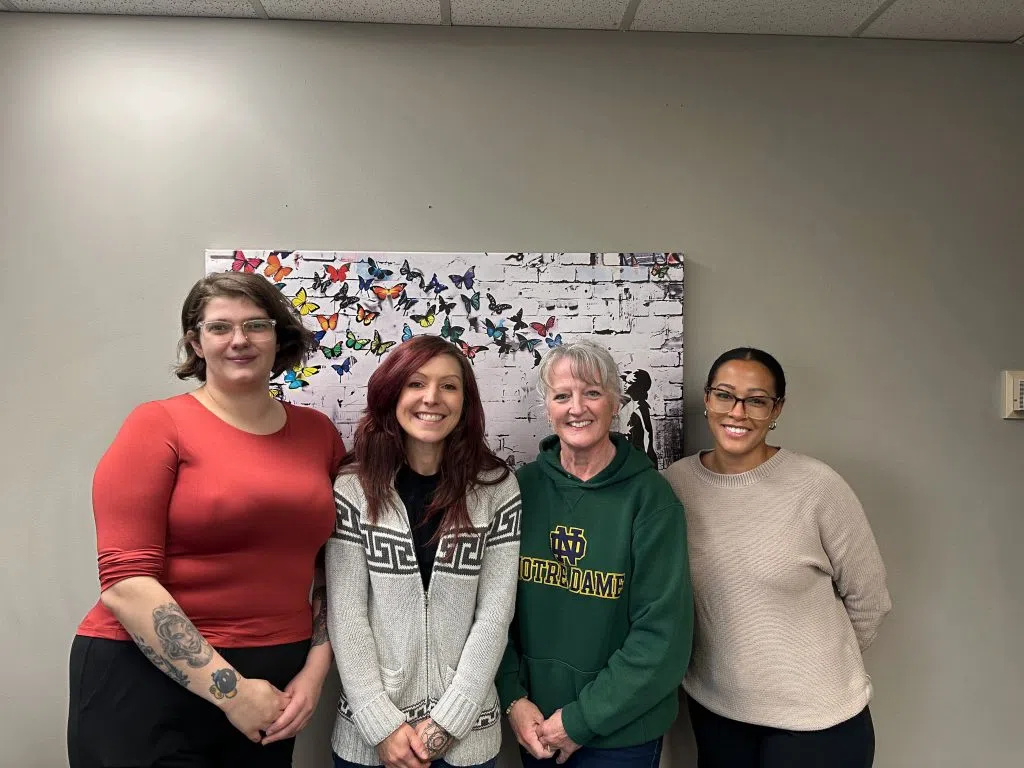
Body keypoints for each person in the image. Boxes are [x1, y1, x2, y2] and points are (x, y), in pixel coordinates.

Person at [68, 272, 346, 768]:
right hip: (146, 681)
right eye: (220, 327)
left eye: (255, 325)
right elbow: (125, 582)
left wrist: (315, 670)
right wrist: (231, 692)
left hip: (276, 686)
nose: (239, 340)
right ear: (196, 343)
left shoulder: (318, 433)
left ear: (278, 336)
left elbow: (334, 562)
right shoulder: (157, 424)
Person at [662, 347, 892, 768]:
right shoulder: (674, 486)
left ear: (776, 409)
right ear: (708, 399)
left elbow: (870, 600)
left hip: (816, 722)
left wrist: (809, 670)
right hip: (717, 713)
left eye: (756, 400)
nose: (738, 412)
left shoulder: (818, 487)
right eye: (725, 395)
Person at [326, 335, 522, 768]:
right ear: (392, 393)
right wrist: (381, 726)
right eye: (416, 383)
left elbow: (495, 613)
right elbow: (346, 612)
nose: (432, 398)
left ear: (465, 402)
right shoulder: (353, 487)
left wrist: (448, 723)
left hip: (467, 738)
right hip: (371, 740)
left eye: (449, 386)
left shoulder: (496, 487)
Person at [497, 339, 693, 768]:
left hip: (621, 732)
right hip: (536, 722)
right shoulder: (521, 490)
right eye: (562, 396)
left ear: (615, 402)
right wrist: (512, 697)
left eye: (592, 393)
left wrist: (581, 720)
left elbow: (661, 638)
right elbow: (494, 609)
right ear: (547, 408)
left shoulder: (651, 499)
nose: (577, 408)